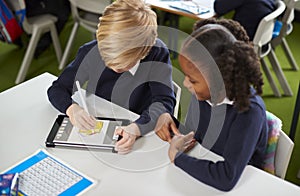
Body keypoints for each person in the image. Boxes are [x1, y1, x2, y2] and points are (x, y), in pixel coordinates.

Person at [47, 0, 176, 154]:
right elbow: (58, 88)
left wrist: (136, 128)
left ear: (143, 52)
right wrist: (71, 109)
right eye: (106, 58)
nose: (112, 67)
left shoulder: (157, 53)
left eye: (121, 65)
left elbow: (163, 102)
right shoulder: (92, 51)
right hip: (100, 122)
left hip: (137, 123)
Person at [154, 19, 268, 191]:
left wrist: (177, 157)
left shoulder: (249, 112)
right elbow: (194, 135)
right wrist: (171, 124)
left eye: (192, 80)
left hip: (243, 186)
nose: (185, 84)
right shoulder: (204, 94)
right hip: (203, 174)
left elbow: (227, 177)